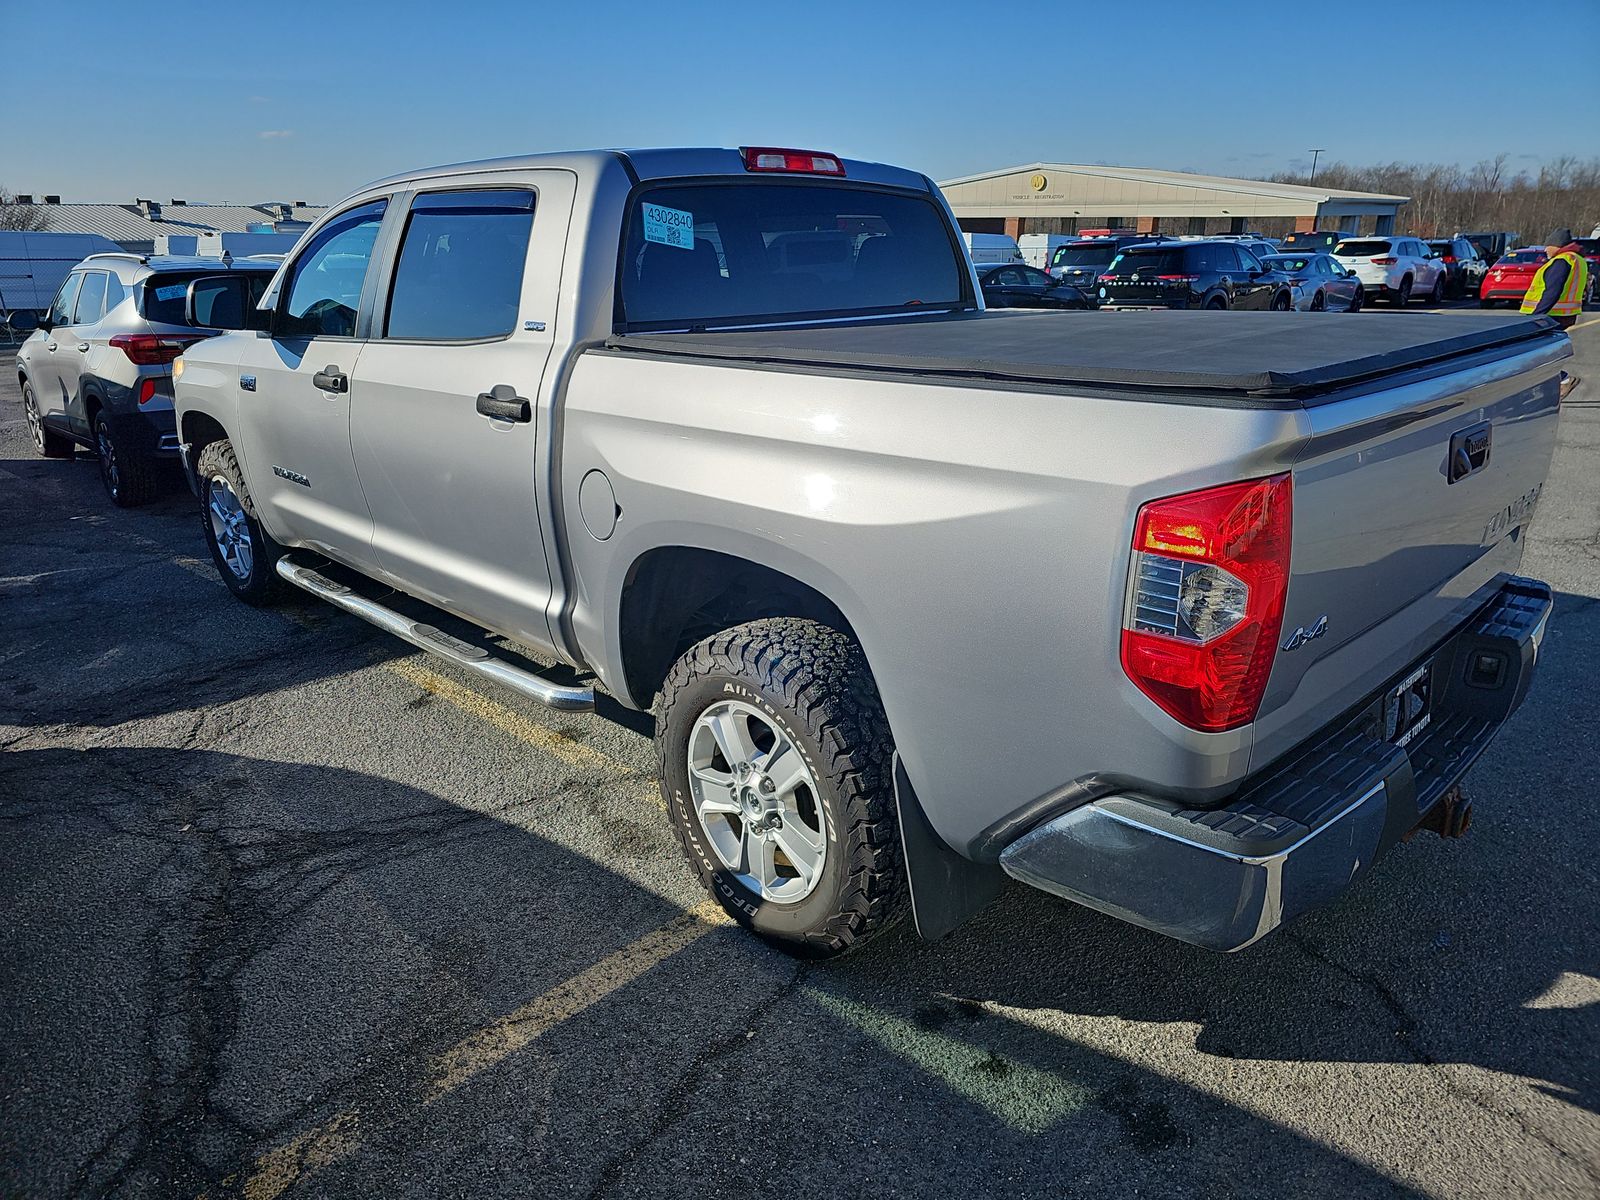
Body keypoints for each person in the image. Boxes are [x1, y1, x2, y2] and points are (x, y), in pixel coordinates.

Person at [1520, 228, 1589, 329]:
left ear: (1557, 245)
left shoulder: (1562, 260)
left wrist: (1536, 316)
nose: (1545, 250)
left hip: (1551, 314)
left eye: (1548, 246)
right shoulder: (1578, 259)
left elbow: (1552, 291)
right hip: (1565, 315)